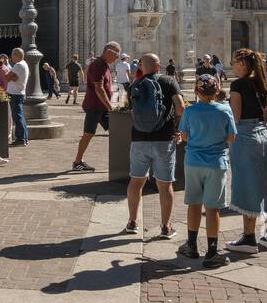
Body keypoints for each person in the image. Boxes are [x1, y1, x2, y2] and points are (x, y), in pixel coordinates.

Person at [225, 47, 267, 254]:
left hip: (245, 137)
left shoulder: (238, 84)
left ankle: (249, 238)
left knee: (246, 184)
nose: (232, 66)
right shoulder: (263, 83)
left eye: (234, 62)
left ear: (242, 64)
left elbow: (236, 117)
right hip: (264, 136)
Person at [177, 72, 237, 267]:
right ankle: (212, 252)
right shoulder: (224, 110)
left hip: (193, 162)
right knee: (213, 209)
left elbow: (184, 135)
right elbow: (231, 138)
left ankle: (192, 245)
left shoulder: (190, 111)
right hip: (216, 164)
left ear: (196, 90)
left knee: (193, 204)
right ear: (217, 90)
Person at [125, 52, 184, 238]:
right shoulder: (168, 81)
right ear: (158, 66)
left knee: (136, 181)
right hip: (164, 139)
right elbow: (181, 106)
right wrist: (176, 125)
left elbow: (131, 109)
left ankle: (132, 222)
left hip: (139, 139)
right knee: (165, 185)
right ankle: (166, 227)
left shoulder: (135, 85)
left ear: (141, 67)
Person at [71, 41, 120, 173]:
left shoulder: (104, 65)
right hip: (95, 106)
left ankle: (122, 161)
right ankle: (77, 162)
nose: (117, 59)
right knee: (88, 134)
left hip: (101, 107)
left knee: (118, 131)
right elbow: (99, 88)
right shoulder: (98, 65)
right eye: (116, 56)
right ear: (109, 52)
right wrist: (110, 107)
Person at [5, 47, 30, 146]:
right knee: (20, 116)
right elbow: (13, 78)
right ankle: (24, 138)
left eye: (12, 55)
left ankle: (20, 139)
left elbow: (7, 77)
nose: (11, 57)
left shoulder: (18, 65)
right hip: (19, 92)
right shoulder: (24, 64)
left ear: (16, 55)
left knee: (17, 116)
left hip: (15, 93)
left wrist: (10, 76)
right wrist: (12, 77)